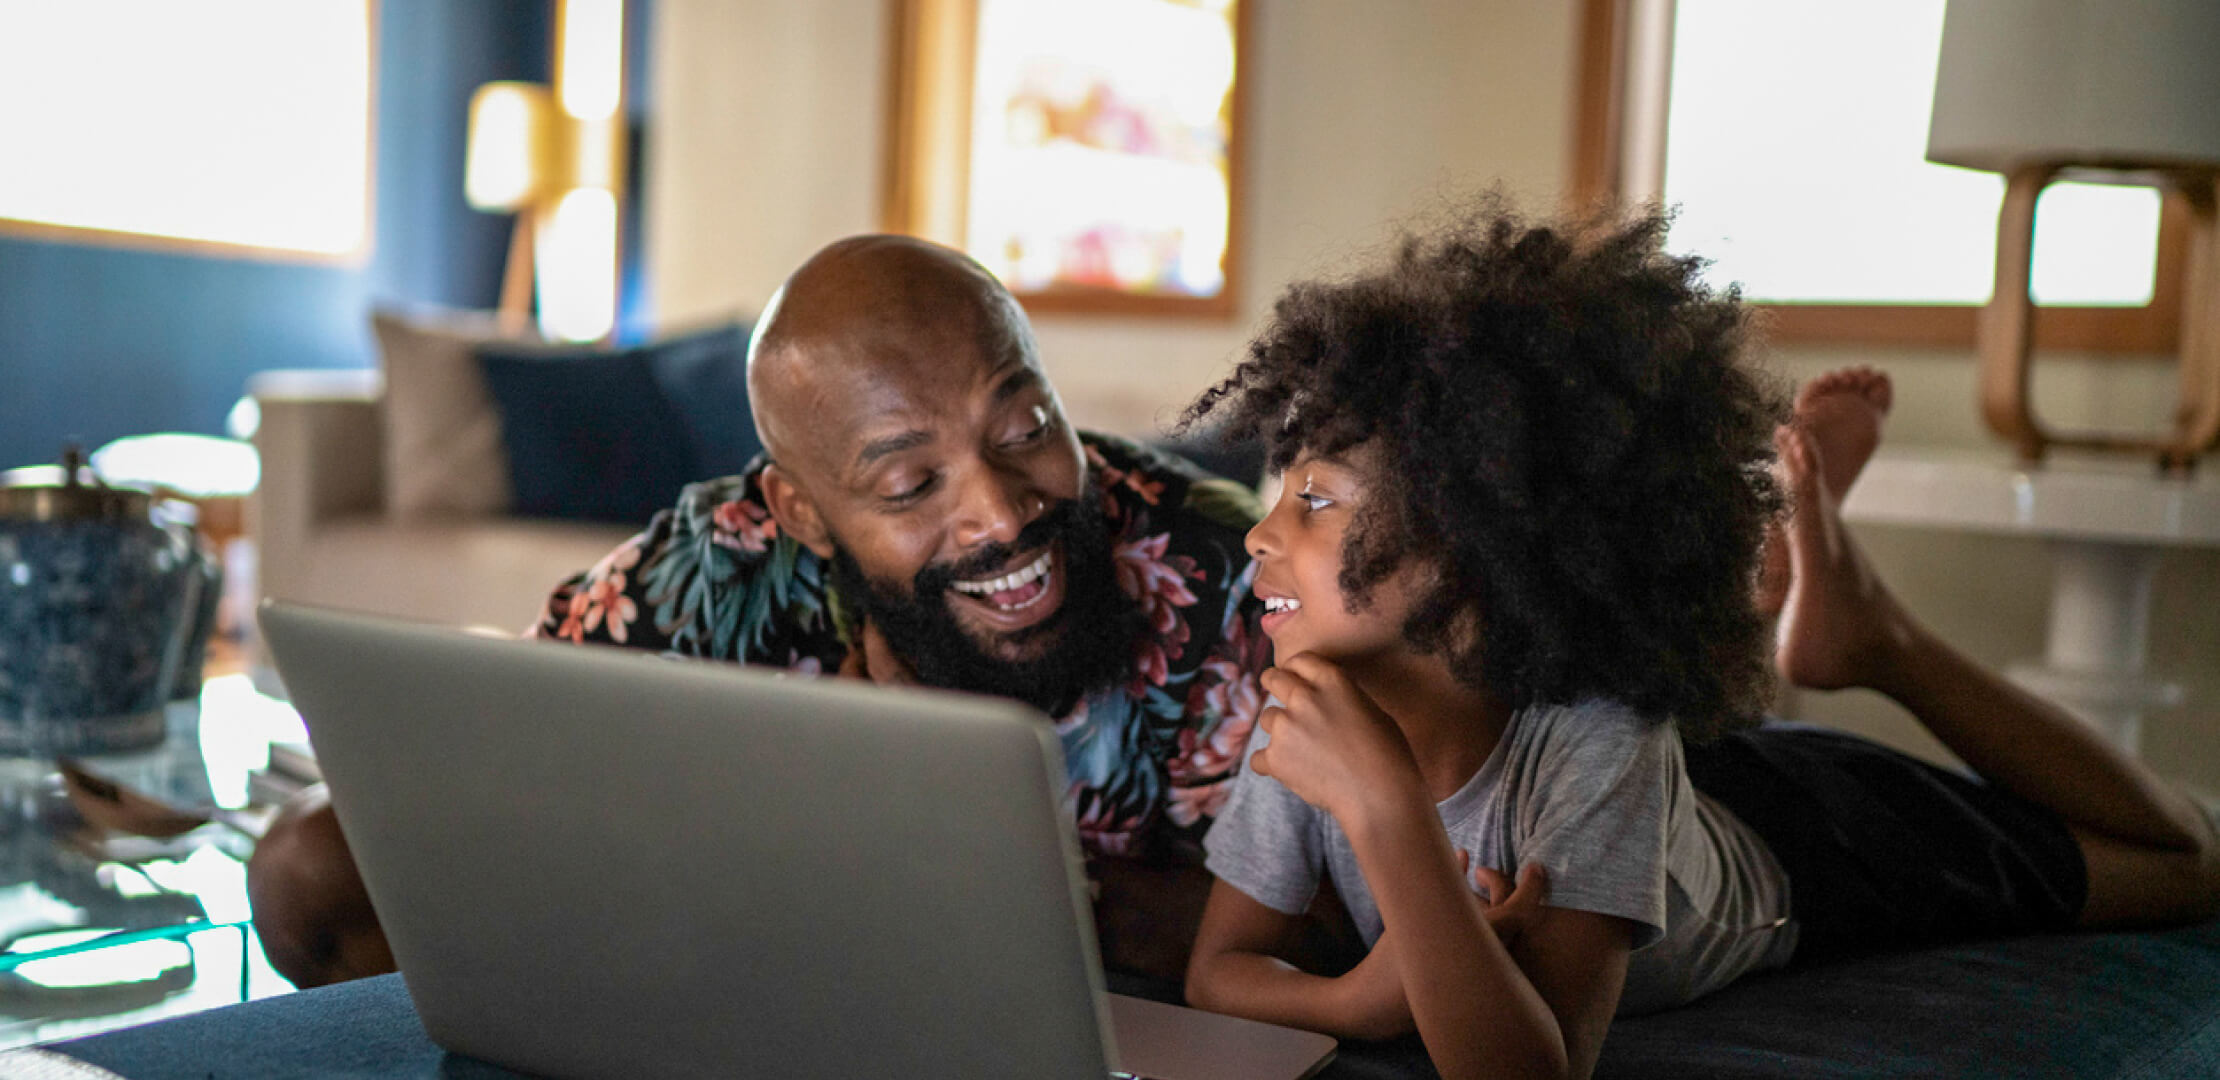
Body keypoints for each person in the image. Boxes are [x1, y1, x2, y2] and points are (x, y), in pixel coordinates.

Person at [1178, 203, 2220, 1080]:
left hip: (1814, 844)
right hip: (1676, 801)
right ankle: (1800, 601)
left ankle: (1878, 639)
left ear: (1473, 547)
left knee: (2188, 863)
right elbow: (1218, 974)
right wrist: (1360, 1001)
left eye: (1315, 501)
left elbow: (1533, 1069)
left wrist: (1388, 811)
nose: (1264, 535)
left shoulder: (1596, 734)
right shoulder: (1310, 714)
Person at [250, 234, 1348, 988]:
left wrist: (1061, 907)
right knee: (308, 877)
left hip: (1107, 1023)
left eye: (1023, 427)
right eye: (911, 484)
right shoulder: (719, 562)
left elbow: (1369, 922)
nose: (1003, 513)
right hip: (739, 995)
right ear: (800, 510)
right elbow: (499, 766)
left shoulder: (1224, 570)